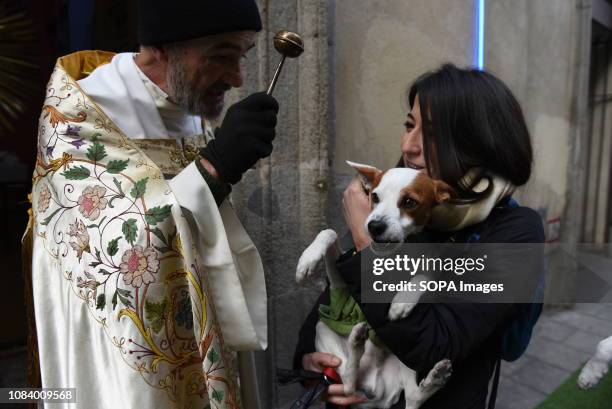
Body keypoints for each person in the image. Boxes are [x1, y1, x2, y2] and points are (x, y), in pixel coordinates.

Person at [25, 1, 278, 408]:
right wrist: (215, 169)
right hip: (121, 370)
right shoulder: (77, 121)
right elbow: (116, 257)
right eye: (221, 56)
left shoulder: (184, 106)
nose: (236, 77)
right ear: (163, 47)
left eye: (241, 56)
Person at [293, 64, 545, 408]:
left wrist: (366, 240)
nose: (409, 147)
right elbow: (337, 299)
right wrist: (312, 361)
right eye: (409, 126)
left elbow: (433, 346)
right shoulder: (401, 200)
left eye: (435, 134)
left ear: (483, 143)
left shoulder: (516, 231)